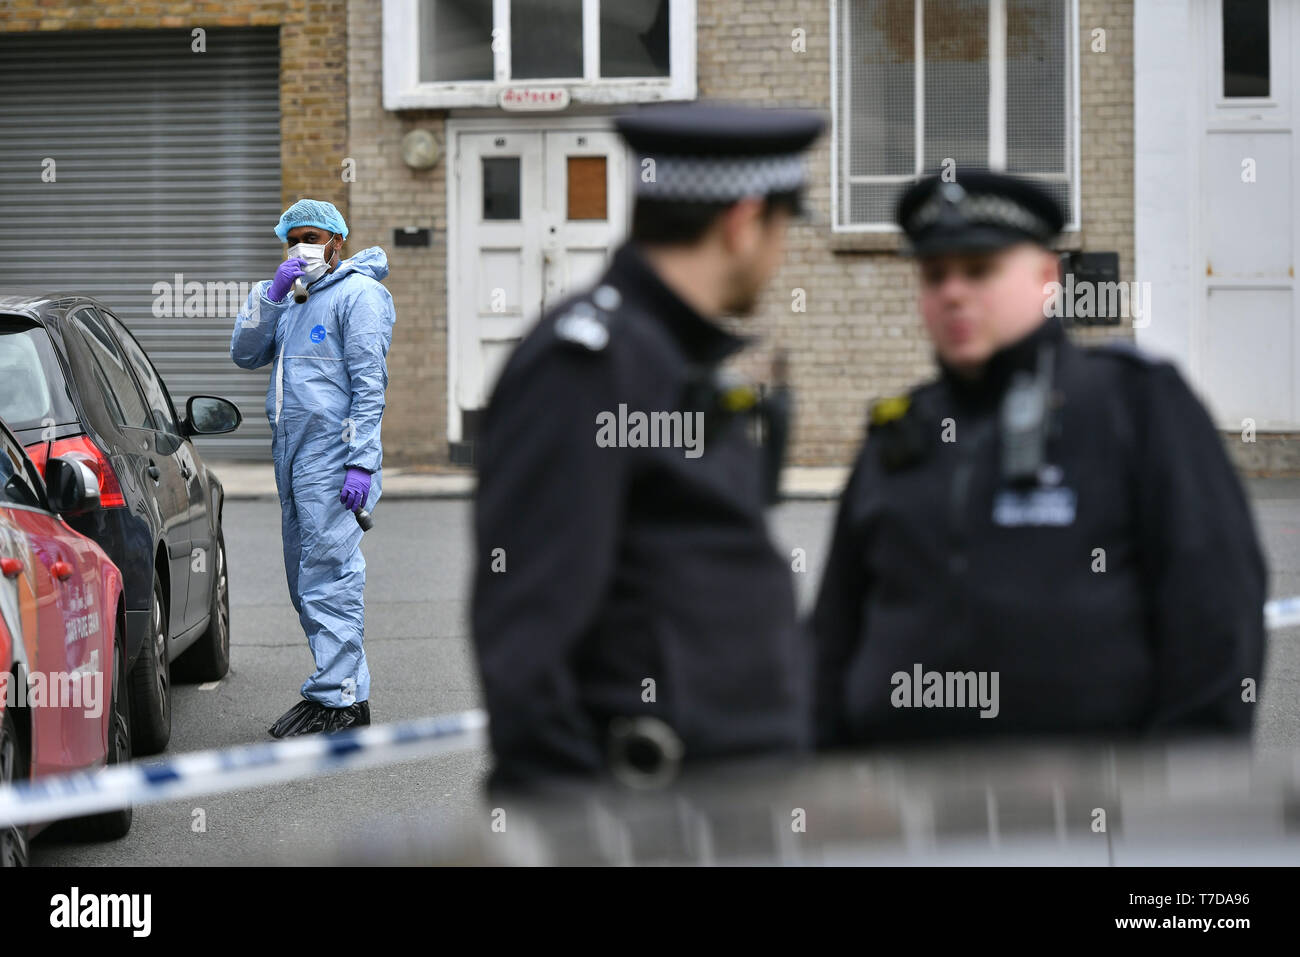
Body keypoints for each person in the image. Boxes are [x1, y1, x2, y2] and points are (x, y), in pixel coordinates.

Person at [812, 170, 1267, 748]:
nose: (953, 292)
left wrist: (1184, 791)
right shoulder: (899, 433)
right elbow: (833, 634)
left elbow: (1214, 610)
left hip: (1085, 813)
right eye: (934, 275)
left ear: (1047, 280)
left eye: (980, 271)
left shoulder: (1135, 405)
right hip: (901, 812)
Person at [472, 102, 824, 791]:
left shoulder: (667, 357)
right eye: (783, 228)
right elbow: (524, 647)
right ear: (744, 222)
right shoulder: (586, 366)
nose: (781, 256)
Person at [231, 199, 395, 736]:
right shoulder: (291, 296)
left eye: (312, 237)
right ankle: (336, 685)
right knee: (306, 579)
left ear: (336, 243)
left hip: (332, 457)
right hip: (292, 455)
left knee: (330, 575)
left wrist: (362, 464)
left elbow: (370, 388)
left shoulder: (359, 296)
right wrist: (271, 296)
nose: (302, 246)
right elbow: (244, 353)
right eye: (293, 237)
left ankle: (343, 700)